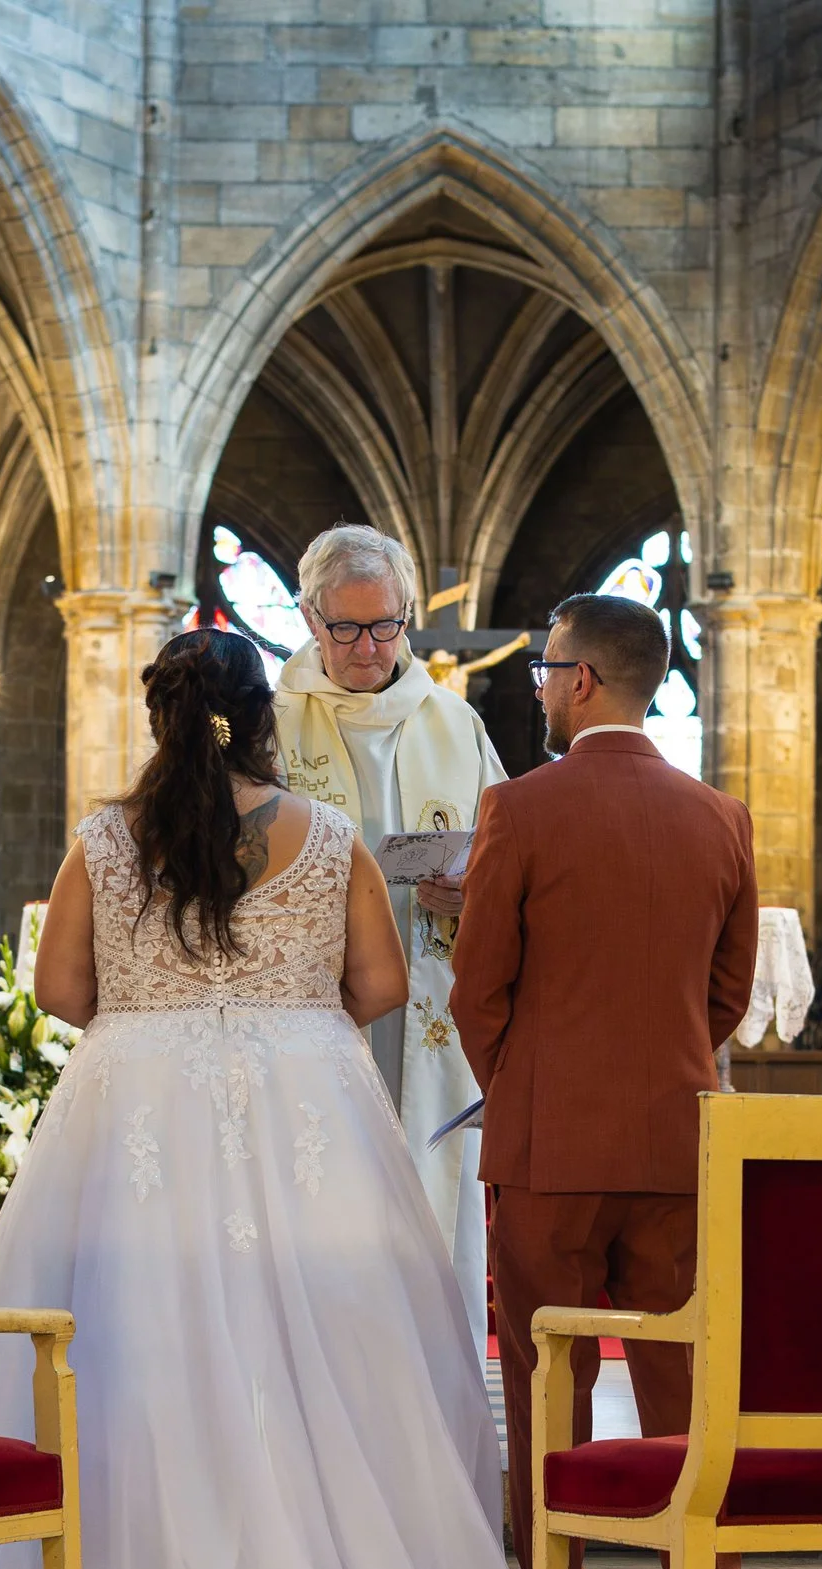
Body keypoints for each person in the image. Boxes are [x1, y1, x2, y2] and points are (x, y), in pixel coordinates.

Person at [0, 625, 644, 1569]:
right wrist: (280, 1024)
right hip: (305, 1106)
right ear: (264, 715)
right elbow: (383, 983)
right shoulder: (326, 835)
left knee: (138, 1344)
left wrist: (159, 1022)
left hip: (137, 1104)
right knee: (326, 1342)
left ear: (164, 720)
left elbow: (58, 986)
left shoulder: (105, 836)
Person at [450, 592, 759, 1569]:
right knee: (682, 1380)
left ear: (581, 680)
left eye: (543, 667)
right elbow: (727, 995)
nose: (535, 685)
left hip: (546, 1153)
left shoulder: (520, 811)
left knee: (549, 1383)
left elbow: (476, 989)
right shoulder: (721, 818)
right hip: (677, 1144)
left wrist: (528, 1088)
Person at [273, 524, 505, 1353]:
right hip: (309, 1004)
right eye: (346, 628)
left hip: (428, 1010)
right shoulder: (268, 724)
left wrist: (471, 888)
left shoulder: (454, 724)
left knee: (424, 1192)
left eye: (387, 626)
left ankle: (430, 1398)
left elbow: (506, 858)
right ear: (308, 617)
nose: (369, 647)